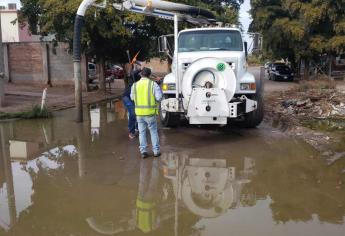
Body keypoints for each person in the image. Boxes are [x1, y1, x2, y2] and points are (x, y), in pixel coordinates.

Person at [130, 67, 162, 158]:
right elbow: (159, 98)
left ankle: (143, 151)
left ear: (141, 74)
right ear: (149, 75)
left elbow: (132, 98)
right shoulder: (153, 84)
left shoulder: (135, 85)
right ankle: (156, 151)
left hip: (139, 114)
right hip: (150, 113)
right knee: (153, 132)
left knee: (142, 133)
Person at [122, 63, 142, 140]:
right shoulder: (132, 77)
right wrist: (140, 69)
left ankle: (136, 127)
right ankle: (131, 132)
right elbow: (133, 73)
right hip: (127, 97)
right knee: (133, 113)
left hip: (134, 98)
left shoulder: (140, 79)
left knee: (137, 112)